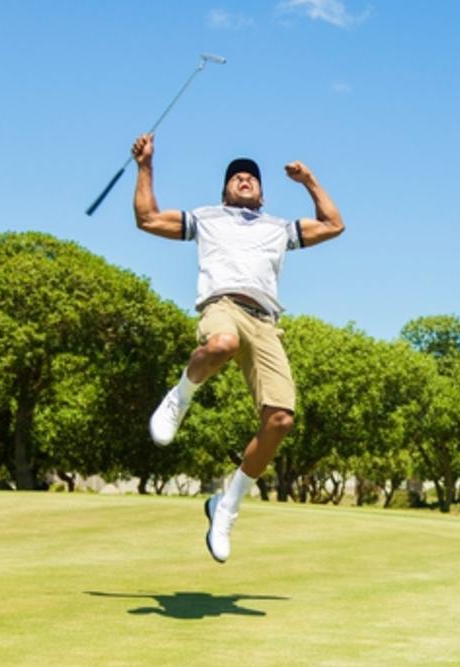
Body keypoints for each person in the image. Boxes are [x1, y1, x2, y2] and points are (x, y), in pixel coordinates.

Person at [130, 132, 344, 562]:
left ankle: (226, 506)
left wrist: (309, 180)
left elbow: (333, 224)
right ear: (225, 190)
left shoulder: (277, 228)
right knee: (222, 342)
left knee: (280, 419)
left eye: (252, 177)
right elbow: (148, 219)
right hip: (222, 304)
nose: (244, 179)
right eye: (236, 177)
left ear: (261, 193)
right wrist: (146, 165)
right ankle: (180, 397)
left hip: (266, 322)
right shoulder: (208, 218)